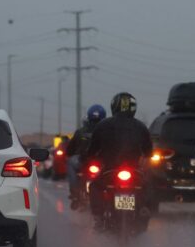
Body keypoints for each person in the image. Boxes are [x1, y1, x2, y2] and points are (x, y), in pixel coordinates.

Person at [85, 92, 153, 226]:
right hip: (135, 172)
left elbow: (92, 150)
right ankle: (144, 209)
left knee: (94, 186)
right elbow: (148, 152)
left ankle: (98, 216)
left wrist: (91, 157)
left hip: (109, 171)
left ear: (114, 106)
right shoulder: (141, 126)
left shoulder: (102, 125)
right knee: (147, 185)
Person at [65, 104, 106, 207]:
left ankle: (74, 193)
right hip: (102, 163)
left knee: (70, 162)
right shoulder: (108, 130)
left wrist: (71, 153)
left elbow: (70, 149)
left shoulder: (81, 131)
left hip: (83, 161)